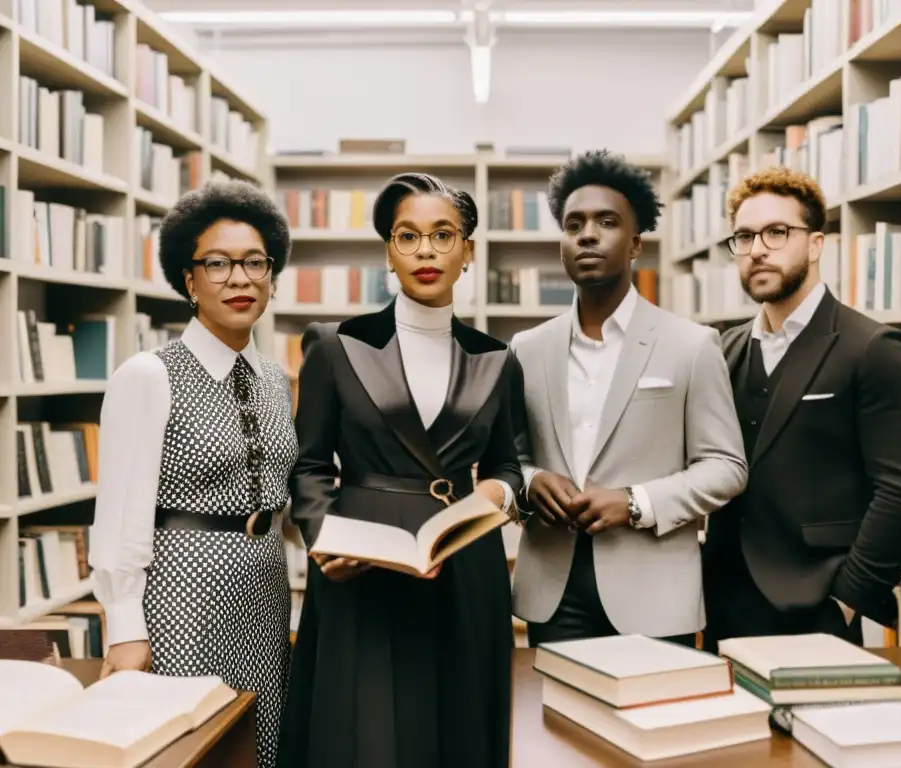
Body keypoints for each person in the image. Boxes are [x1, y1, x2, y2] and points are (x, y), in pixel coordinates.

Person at [276, 172, 523, 768]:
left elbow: (507, 465)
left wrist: (498, 492)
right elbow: (309, 464)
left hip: (465, 559)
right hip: (363, 559)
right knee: (365, 732)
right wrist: (323, 537)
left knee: (462, 727)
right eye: (407, 236)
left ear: (468, 251)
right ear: (388, 251)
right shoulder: (335, 345)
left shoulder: (496, 358)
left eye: (443, 236)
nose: (426, 252)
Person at [87, 180, 297, 768]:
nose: (240, 279)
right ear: (189, 280)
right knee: (188, 743)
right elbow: (119, 509)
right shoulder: (148, 375)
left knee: (261, 744)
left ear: (273, 276)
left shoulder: (276, 379)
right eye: (218, 264)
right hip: (182, 588)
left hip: (264, 586)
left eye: (255, 263)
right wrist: (125, 627)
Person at [509, 149, 748, 648]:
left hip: (654, 593)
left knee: (652, 726)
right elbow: (510, 458)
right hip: (554, 591)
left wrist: (635, 503)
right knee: (557, 725)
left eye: (607, 222)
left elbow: (726, 466)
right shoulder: (526, 349)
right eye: (573, 225)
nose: (588, 234)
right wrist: (531, 483)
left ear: (636, 244)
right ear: (562, 245)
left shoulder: (692, 344)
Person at [701, 166, 901, 651]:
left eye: (777, 232)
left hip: (818, 605)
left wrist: (846, 601)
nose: (758, 249)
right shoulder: (724, 349)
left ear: (815, 244)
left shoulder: (874, 348)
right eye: (744, 237)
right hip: (722, 600)